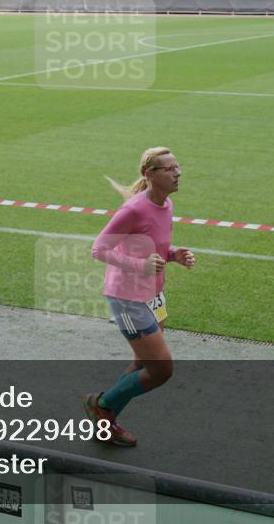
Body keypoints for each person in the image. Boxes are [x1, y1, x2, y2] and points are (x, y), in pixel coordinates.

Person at [83, 147, 195, 447]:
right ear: (149, 175)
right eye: (169, 169)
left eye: (177, 166)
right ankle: (102, 405)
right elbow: (99, 250)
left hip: (153, 295)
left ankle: (105, 425)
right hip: (127, 298)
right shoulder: (133, 209)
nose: (177, 172)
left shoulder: (167, 204)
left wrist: (172, 255)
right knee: (161, 370)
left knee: (142, 364)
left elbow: (151, 247)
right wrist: (140, 266)